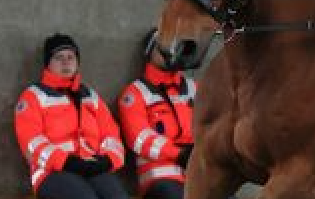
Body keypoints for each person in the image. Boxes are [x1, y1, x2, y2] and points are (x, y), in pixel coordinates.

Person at [14, 34, 129, 199]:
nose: (66, 62)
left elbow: (111, 133)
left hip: (91, 166)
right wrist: (68, 162)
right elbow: (31, 142)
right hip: (51, 172)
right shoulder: (32, 96)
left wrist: (108, 161)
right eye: (58, 57)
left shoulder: (90, 95)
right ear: (47, 64)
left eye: (71, 57)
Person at [117, 29, 197, 199]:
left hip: (199, 170)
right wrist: (180, 154)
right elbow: (139, 138)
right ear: (149, 53)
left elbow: (212, 125)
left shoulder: (193, 88)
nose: (171, 52)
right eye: (163, 48)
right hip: (160, 176)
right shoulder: (134, 94)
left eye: (175, 47)